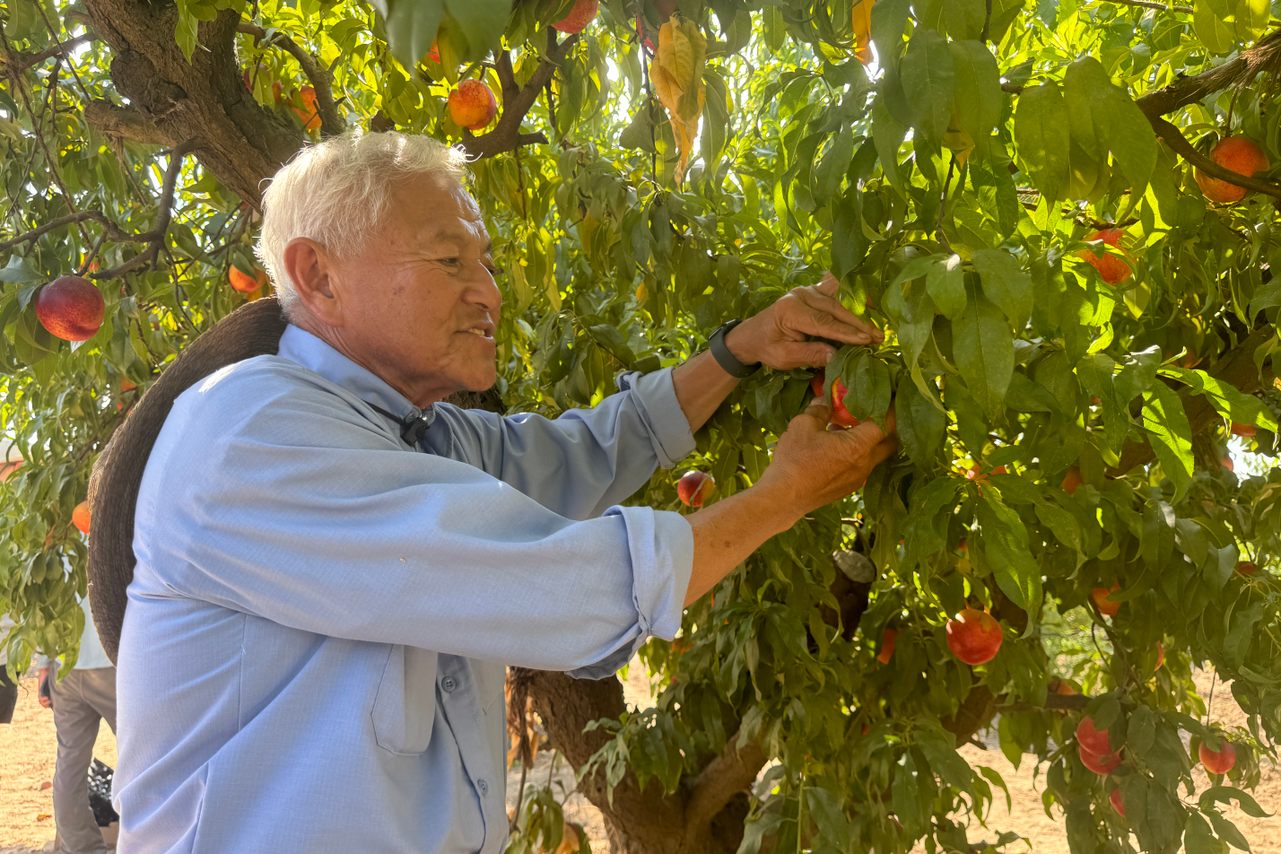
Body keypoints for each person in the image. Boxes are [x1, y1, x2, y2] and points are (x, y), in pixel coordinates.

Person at [112, 131, 898, 852]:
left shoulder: (420, 433)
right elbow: (566, 586)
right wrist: (782, 497)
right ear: (319, 276)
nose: (489, 292)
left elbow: (589, 451)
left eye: (484, 262)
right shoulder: (252, 435)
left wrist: (738, 349)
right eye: (450, 260)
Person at [38, 594, 118, 854]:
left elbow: (40, 602)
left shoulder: (48, 550)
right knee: (144, 756)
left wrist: (43, 664)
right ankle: (152, 840)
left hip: (64, 664)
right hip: (113, 662)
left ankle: (82, 849)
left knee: (70, 764)